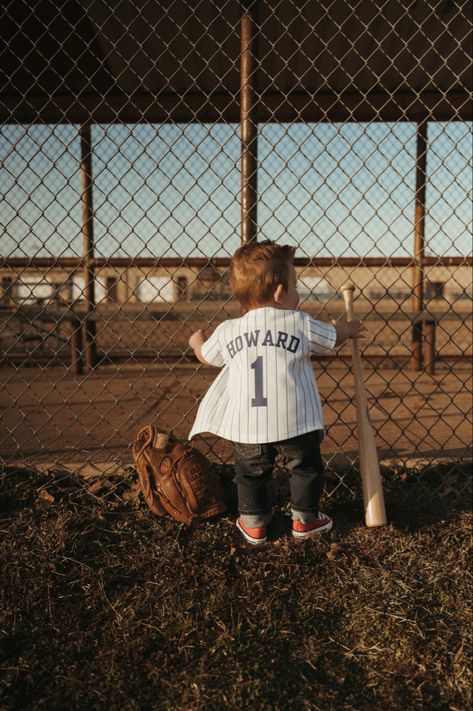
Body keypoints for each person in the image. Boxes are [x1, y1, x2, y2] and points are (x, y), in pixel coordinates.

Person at [188, 241, 365, 545]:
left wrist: (196, 343)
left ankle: (254, 523)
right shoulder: (299, 323)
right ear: (281, 292)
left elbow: (207, 356)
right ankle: (305, 521)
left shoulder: (230, 329)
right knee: (305, 469)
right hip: (296, 420)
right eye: (295, 286)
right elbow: (332, 338)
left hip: (249, 426)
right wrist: (347, 329)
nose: (298, 292)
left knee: (250, 473)